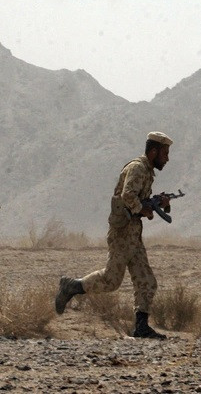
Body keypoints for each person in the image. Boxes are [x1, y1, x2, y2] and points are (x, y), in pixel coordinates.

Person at [55, 131, 173, 339]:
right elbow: (127, 195)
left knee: (147, 281)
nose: (167, 158)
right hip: (122, 233)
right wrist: (142, 209)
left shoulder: (146, 171)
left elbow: (137, 199)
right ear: (153, 152)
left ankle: (141, 327)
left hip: (133, 235)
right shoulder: (137, 168)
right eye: (165, 153)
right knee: (111, 280)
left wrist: (156, 204)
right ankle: (72, 286)